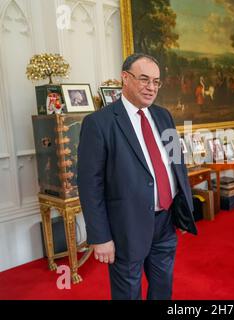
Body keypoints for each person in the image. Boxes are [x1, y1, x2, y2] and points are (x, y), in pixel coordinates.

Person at [77, 53, 197, 300]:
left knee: (163, 288)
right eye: (144, 79)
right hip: (126, 226)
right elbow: (90, 185)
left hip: (165, 221)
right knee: (128, 293)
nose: (151, 87)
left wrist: (183, 210)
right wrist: (100, 237)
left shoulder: (164, 116)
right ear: (125, 78)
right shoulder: (98, 123)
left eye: (156, 81)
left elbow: (177, 162)